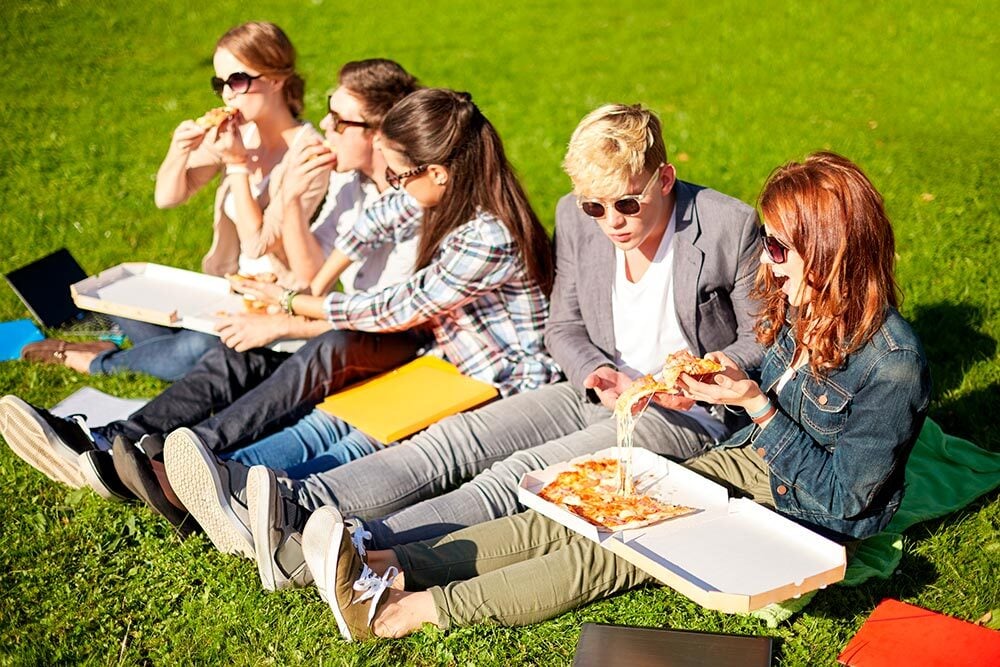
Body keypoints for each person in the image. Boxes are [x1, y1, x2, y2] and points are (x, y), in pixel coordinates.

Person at [306, 151, 933, 640]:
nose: (767, 266)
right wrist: (722, 385)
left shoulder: (893, 363)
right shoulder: (807, 304)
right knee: (598, 512)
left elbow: (843, 503)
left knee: (618, 554)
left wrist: (757, 406)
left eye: (777, 248)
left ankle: (408, 612)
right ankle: (387, 563)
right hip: (751, 463)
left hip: (805, 514)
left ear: (830, 251)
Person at [234, 102, 763, 590]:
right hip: (591, 387)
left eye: (626, 202)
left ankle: (347, 547)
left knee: (519, 474)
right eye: (595, 207)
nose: (612, 222)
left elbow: (762, 339)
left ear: (664, 178)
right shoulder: (577, 218)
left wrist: (705, 376)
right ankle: (289, 507)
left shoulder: (726, 224)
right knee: (451, 441)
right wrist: (593, 371)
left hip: (687, 413)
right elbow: (565, 327)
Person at [0, 58, 421, 518]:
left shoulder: (413, 204)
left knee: (322, 344)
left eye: (339, 119)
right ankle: (113, 437)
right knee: (236, 351)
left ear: (378, 132)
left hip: (394, 336)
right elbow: (306, 276)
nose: (326, 125)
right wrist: (294, 216)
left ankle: (182, 457)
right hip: (334, 312)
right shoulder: (349, 180)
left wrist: (288, 318)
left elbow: (390, 313)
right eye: (327, 110)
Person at [21, 21, 332, 381]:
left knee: (199, 349)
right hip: (224, 288)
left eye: (238, 81)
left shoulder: (310, 155)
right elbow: (168, 198)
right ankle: (163, 352)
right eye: (220, 84)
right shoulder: (238, 132)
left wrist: (236, 164)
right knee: (120, 295)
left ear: (277, 79)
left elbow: (257, 243)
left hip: (274, 301)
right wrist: (178, 150)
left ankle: (97, 361)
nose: (228, 95)